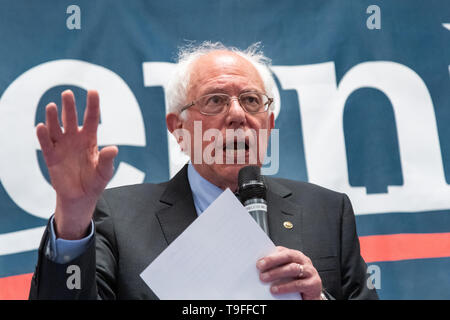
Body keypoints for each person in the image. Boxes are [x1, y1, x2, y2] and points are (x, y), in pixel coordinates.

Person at [29, 42, 378, 300]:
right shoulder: (118, 218)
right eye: (215, 101)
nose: (238, 115)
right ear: (178, 129)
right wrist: (73, 219)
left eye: (252, 100)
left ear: (268, 125)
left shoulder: (327, 212)